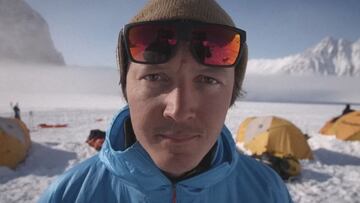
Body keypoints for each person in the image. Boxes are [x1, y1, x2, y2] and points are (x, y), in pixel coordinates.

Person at [39, 0, 292, 202]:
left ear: (232, 95)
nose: (179, 110)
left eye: (207, 80)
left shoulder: (268, 192)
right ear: (126, 88)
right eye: (155, 76)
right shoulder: (68, 196)